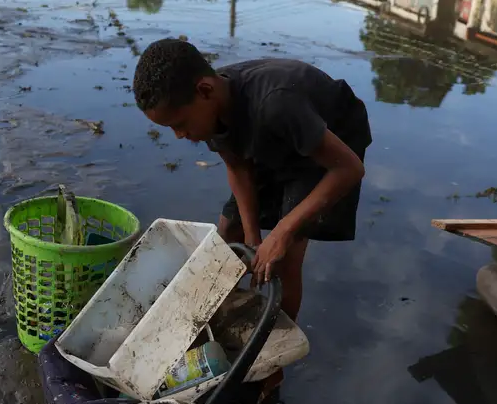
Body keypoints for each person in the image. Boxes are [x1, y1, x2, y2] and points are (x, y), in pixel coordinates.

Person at [132, 38, 372, 323]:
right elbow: (238, 168)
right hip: (276, 134)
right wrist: (252, 236)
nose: (179, 135)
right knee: (228, 236)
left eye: (180, 124)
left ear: (205, 91)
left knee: (281, 257)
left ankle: (276, 335)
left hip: (330, 141)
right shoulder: (210, 104)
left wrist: (282, 232)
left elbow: (349, 169)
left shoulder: (276, 103)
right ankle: (209, 319)